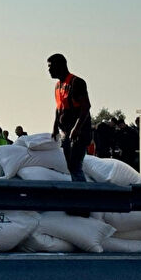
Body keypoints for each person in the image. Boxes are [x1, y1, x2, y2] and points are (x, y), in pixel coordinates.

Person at [48, 53, 92, 183]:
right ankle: (78, 189)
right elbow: (59, 108)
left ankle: (82, 193)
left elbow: (86, 107)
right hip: (65, 132)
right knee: (71, 166)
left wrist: (76, 128)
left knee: (75, 165)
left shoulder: (76, 82)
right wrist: (55, 127)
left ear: (60, 66)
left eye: (51, 67)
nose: (49, 70)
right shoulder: (58, 86)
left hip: (79, 133)